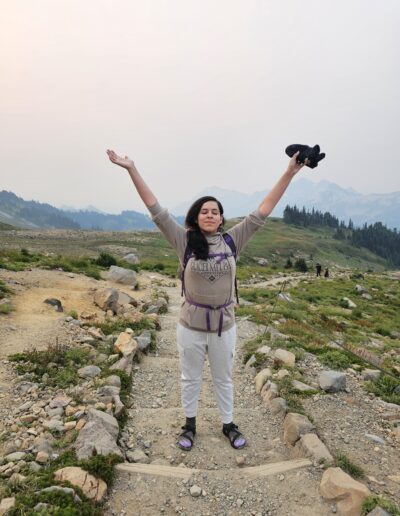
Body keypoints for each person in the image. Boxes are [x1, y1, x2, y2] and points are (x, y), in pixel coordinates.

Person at [107, 148, 308, 451]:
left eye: (215, 211)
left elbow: (263, 210)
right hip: (190, 326)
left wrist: (290, 172)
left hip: (223, 326)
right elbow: (156, 210)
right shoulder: (183, 240)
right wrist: (131, 169)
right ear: (196, 217)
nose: (210, 215)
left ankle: (228, 424)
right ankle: (189, 426)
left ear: (222, 217)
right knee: (190, 379)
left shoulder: (232, 240)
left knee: (223, 379)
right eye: (204, 211)